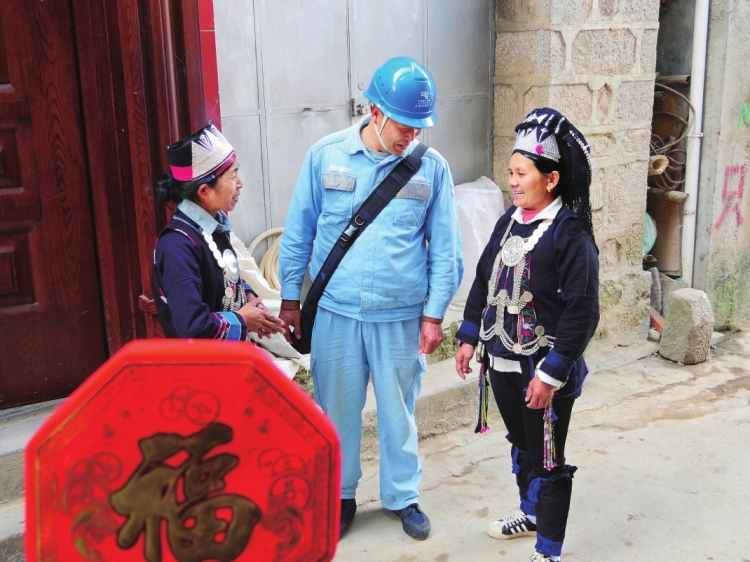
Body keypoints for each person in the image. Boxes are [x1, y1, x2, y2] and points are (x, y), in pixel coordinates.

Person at [278, 57, 463, 541]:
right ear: (375, 112)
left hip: (400, 317)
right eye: (404, 125)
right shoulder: (325, 156)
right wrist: (290, 300)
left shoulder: (431, 168)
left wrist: (434, 315)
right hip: (336, 313)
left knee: (399, 413)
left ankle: (402, 495)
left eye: (419, 127)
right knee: (337, 410)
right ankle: (340, 496)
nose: (412, 136)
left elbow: (446, 250)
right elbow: (298, 233)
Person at [454, 108, 600, 562]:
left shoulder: (570, 235)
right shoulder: (510, 221)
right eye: (511, 173)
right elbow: (484, 279)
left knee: (548, 457)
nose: (512, 182)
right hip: (501, 362)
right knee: (522, 445)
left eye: (521, 174)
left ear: (551, 179)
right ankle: (531, 513)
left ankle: (548, 551)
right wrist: (468, 336)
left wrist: (551, 374)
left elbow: (582, 311)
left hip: (543, 372)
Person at [152, 122, 285, 341]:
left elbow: (222, 276)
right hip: (201, 363)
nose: (240, 183)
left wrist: (249, 299)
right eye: (232, 176)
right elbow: (191, 327)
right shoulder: (177, 246)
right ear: (204, 191)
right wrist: (242, 319)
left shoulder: (213, 228)